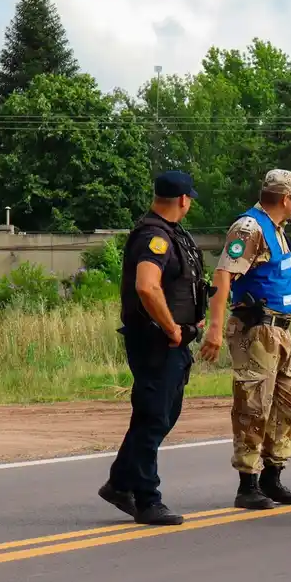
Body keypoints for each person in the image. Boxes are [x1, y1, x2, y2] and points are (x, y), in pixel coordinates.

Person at [100, 170, 207, 526]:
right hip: (156, 341)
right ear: (183, 200)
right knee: (152, 417)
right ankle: (147, 498)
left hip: (172, 342)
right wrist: (172, 328)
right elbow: (147, 287)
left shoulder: (171, 234)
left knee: (164, 414)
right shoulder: (154, 237)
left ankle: (119, 482)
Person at [199, 169, 291, 510]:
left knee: (287, 404)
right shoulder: (249, 228)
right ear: (284, 198)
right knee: (253, 406)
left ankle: (272, 477)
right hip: (257, 330)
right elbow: (223, 274)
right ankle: (247, 483)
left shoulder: (276, 229)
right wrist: (215, 329)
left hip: (280, 330)